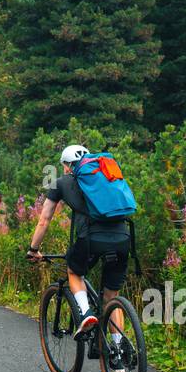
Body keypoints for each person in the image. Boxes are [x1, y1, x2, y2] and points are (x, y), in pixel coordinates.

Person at [26, 145, 132, 350]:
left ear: (67, 166)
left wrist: (33, 249)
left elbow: (44, 220)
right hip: (123, 238)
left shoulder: (62, 182)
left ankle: (86, 313)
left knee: (74, 271)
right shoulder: (107, 176)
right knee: (112, 297)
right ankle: (118, 351)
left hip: (91, 240)